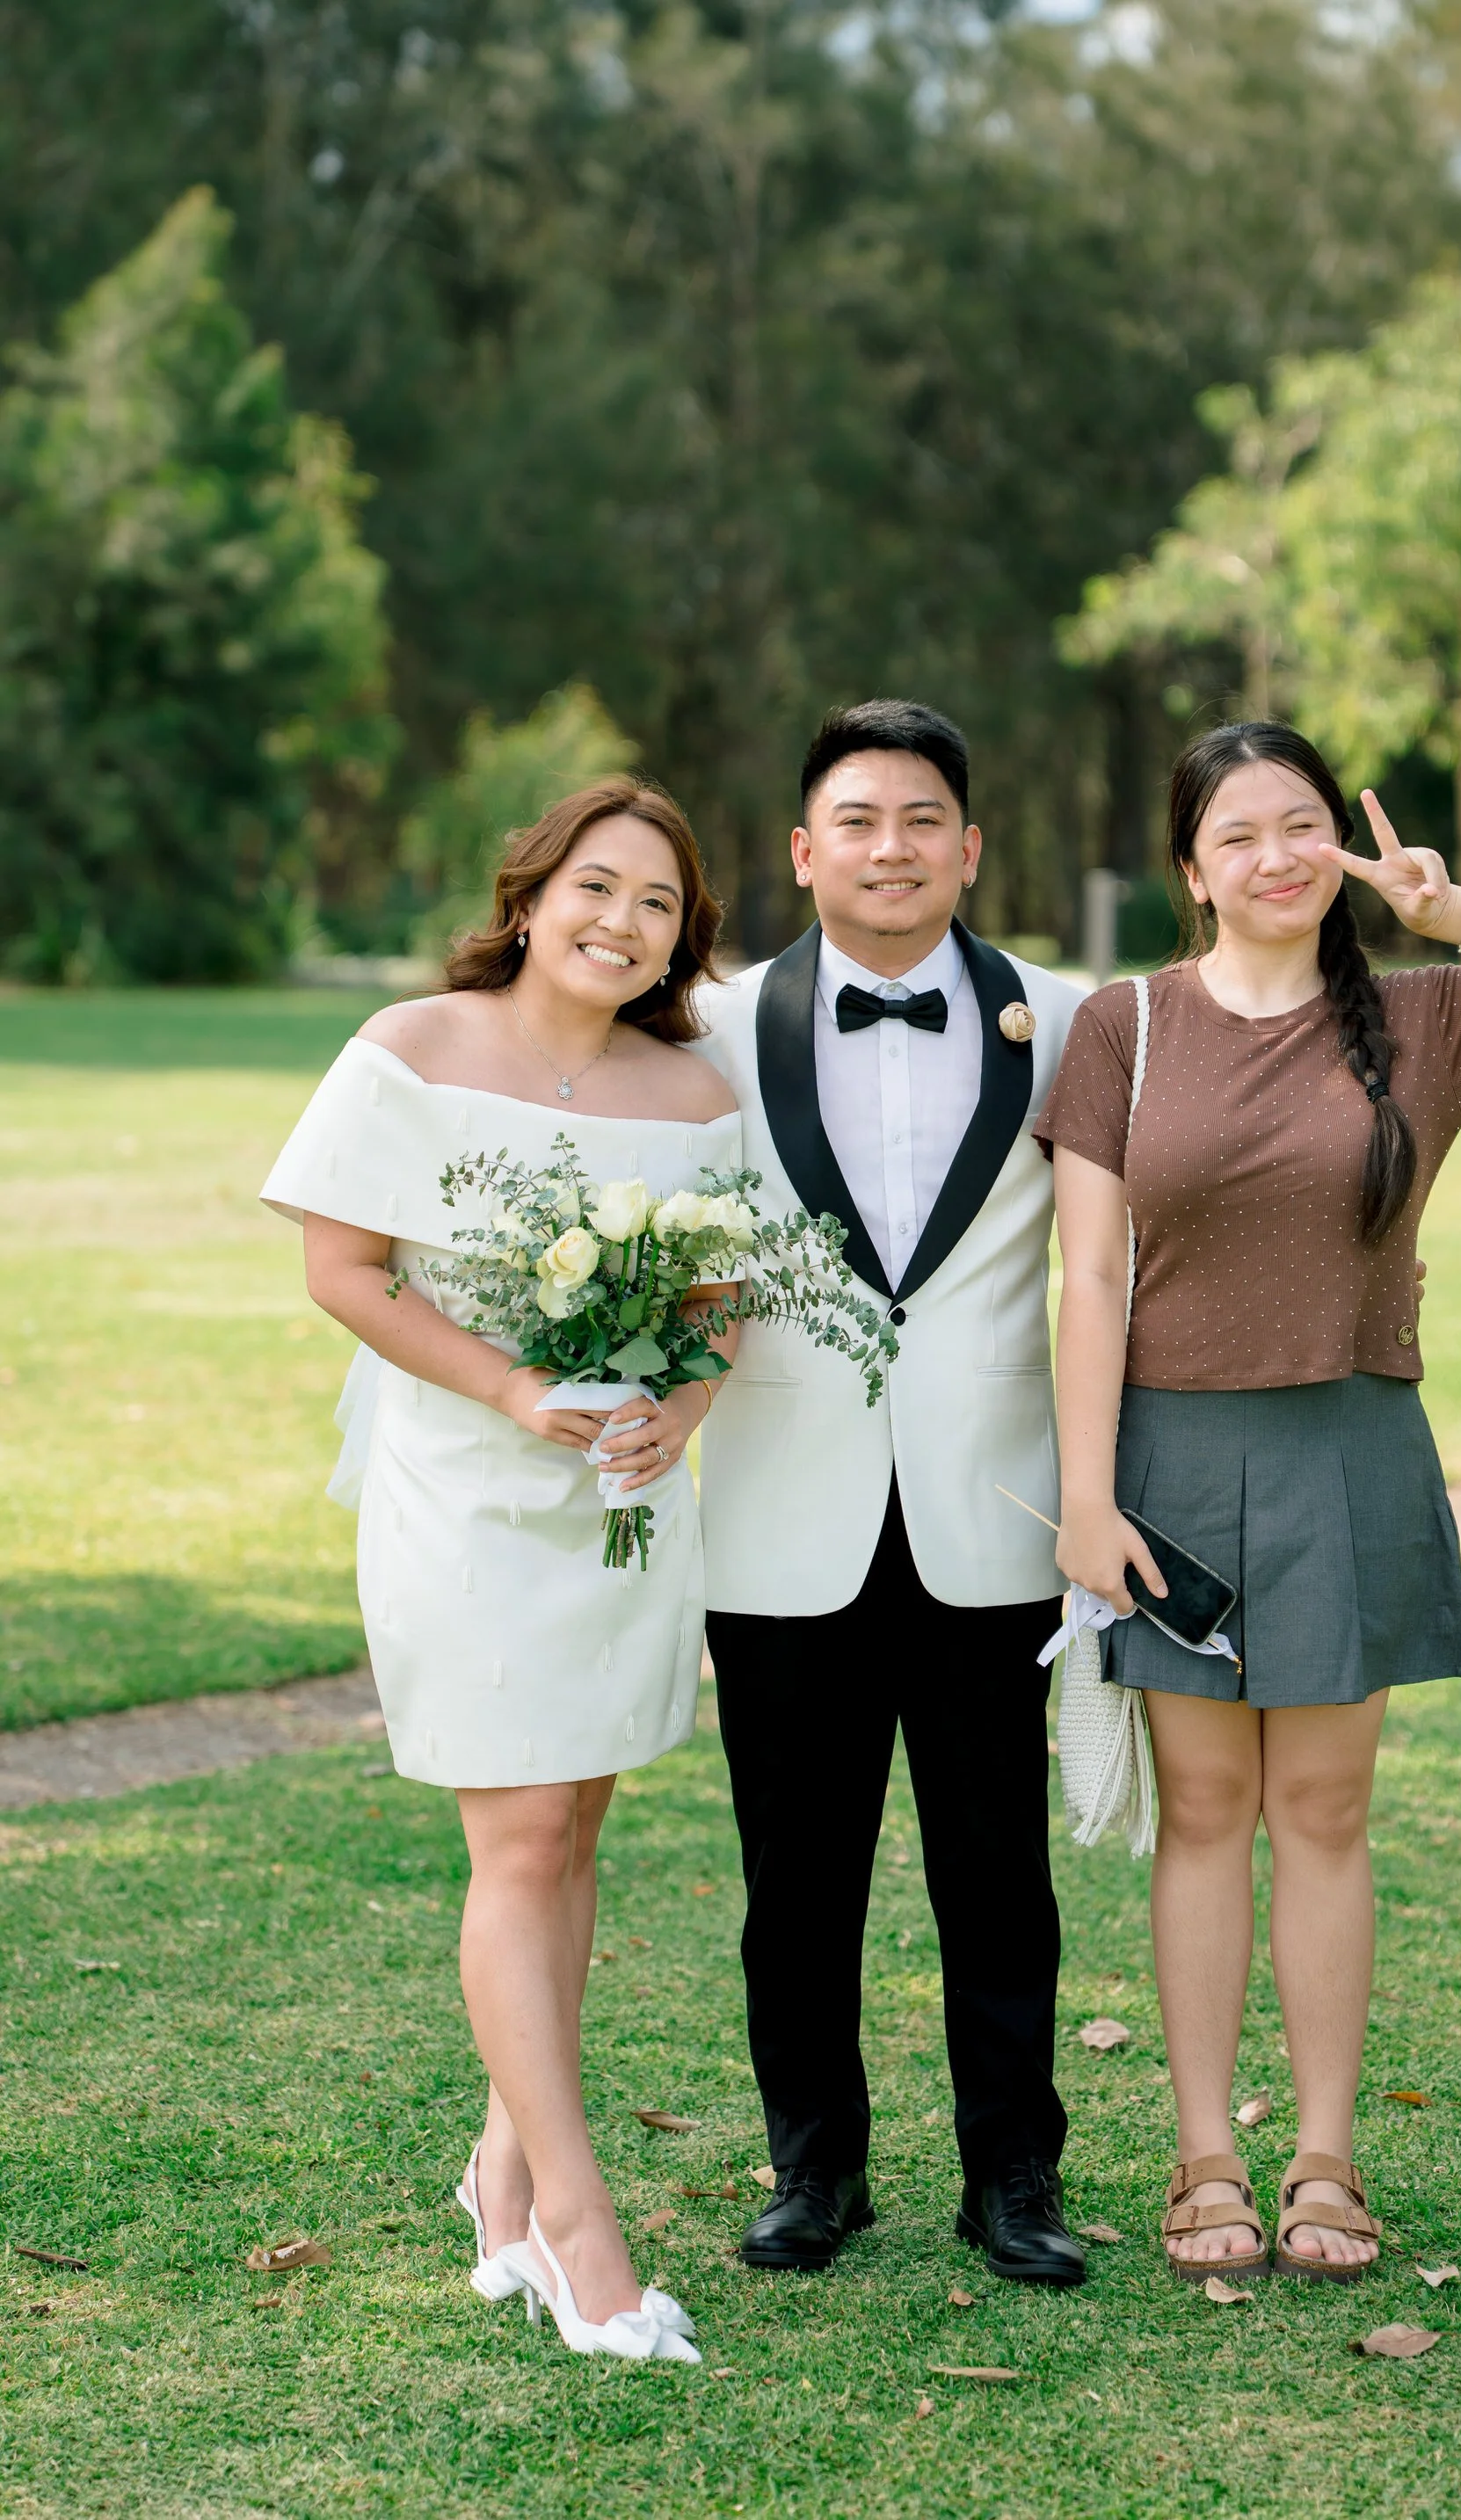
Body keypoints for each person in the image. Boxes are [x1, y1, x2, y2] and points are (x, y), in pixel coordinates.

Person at [1037, 721, 1461, 2285]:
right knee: (1204, 1811)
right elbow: (1089, 1274)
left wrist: (1450, 907)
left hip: (1351, 1449)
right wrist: (1081, 1495)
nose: (1277, 855)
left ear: (1339, 843)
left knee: (1324, 1812)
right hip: (1170, 1460)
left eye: (1302, 824)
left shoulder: (1420, 1019)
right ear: (1191, 869)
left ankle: (1325, 2155)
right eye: (1240, 832)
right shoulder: (1124, 1026)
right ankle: (1204, 2157)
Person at [262, 775, 742, 2363]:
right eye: (598, 886)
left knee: (577, 1813)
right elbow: (344, 1268)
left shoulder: (690, 1090)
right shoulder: (411, 1047)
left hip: (619, 1500)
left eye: (659, 903)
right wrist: (518, 1390)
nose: (623, 921)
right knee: (521, 1833)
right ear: (532, 895)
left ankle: (499, 2163)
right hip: (464, 1488)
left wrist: (672, 1413)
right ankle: (574, 2229)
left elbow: (724, 1306)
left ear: (684, 938)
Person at [692, 700, 1091, 2283]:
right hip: (784, 1512)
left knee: (999, 1876)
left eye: (923, 818)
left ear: (972, 846)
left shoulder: (1069, 1020)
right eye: (857, 819)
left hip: (994, 1508)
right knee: (795, 1880)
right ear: (804, 849)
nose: (892, 847)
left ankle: (1015, 2179)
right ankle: (816, 2168)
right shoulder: (708, 1029)